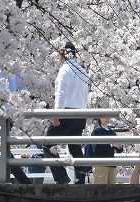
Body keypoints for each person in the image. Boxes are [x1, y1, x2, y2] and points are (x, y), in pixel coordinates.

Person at [45, 42, 90, 185]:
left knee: (47, 143)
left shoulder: (65, 69)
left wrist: (57, 113)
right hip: (81, 113)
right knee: (75, 146)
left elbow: (60, 93)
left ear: (63, 54)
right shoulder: (82, 70)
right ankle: (80, 179)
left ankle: (61, 177)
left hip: (67, 112)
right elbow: (85, 94)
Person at [85, 116, 123, 184]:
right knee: (100, 189)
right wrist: (111, 145)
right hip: (100, 164)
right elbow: (95, 149)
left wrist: (119, 146)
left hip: (112, 165)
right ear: (99, 118)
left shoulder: (112, 132)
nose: (107, 119)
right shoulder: (96, 131)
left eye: (108, 117)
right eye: (104, 117)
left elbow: (119, 151)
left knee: (112, 190)